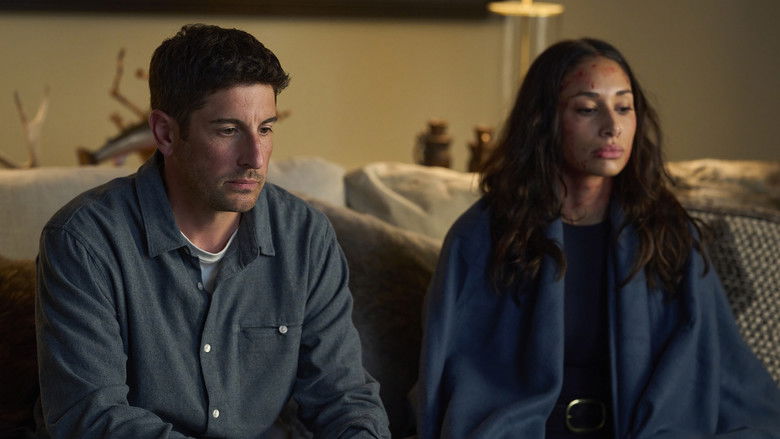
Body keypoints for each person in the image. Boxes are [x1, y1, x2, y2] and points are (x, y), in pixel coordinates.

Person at [35, 24, 390, 439]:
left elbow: (343, 398)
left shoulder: (305, 237)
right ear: (165, 133)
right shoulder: (83, 241)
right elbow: (91, 416)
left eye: (265, 128)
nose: (255, 158)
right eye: (228, 130)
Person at [416, 38, 780, 438]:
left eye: (624, 107)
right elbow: (453, 377)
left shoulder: (668, 233)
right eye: (587, 109)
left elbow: (721, 371)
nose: (612, 127)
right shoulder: (485, 236)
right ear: (543, 121)